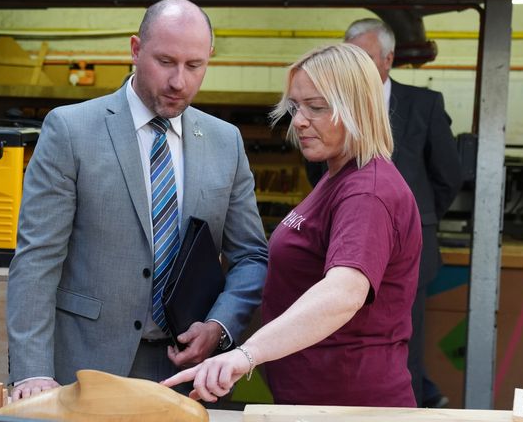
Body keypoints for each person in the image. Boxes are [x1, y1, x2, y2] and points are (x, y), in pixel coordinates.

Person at [6, 0, 268, 400]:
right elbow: (37, 258)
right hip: (85, 367)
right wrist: (31, 372)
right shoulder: (70, 131)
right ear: (134, 49)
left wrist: (219, 326)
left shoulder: (225, 142)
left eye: (194, 66)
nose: (179, 81)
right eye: (165, 62)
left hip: (187, 373)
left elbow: (251, 257)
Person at [164, 43, 422, 407]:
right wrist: (219, 331)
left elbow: (344, 292)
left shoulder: (368, 192)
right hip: (316, 399)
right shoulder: (338, 177)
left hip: (349, 404)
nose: (299, 120)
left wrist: (246, 354)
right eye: (296, 107)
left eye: (316, 107)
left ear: (358, 108)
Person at [305, 18, 463, 407]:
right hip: (347, 247)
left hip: (411, 250)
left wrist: (411, 224)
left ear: (388, 59)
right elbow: (318, 170)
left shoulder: (424, 104)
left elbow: (448, 175)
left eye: (364, 57)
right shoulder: (327, 109)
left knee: (399, 341)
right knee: (344, 335)